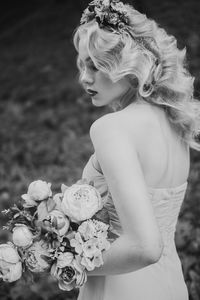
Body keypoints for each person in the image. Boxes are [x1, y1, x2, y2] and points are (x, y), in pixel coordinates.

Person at [73, 0, 200, 299]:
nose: (85, 78)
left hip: (122, 287)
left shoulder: (112, 128)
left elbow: (145, 247)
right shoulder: (176, 124)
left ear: (130, 65)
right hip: (169, 284)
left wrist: (63, 258)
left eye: (97, 65)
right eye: (82, 64)